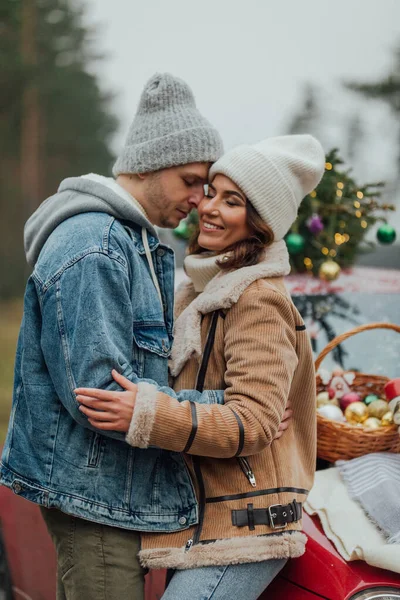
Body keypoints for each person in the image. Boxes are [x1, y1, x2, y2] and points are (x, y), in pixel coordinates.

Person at [0, 73, 227, 600]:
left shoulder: (133, 243)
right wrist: (227, 408)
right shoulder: (96, 246)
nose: (200, 198)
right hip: (94, 498)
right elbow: (102, 396)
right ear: (149, 164)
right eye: (191, 180)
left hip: (114, 494)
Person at [76, 134, 326, 600]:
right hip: (204, 520)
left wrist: (148, 415)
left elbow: (252, 422)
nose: (208, 207)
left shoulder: (257, 299)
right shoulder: (196, 294)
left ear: (261, 224)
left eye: (232, 201)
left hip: (244, 529)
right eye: (211, 192)